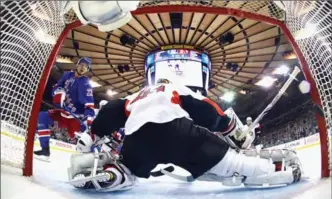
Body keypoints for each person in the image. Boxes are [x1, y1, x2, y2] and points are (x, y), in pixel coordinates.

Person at [70, 79, 301, 192]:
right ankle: (277, 171)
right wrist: (230, 129)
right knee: (233, 163)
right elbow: (205, 108)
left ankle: (112, 176)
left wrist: (93, 135)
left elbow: (109, 112)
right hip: (178, 132)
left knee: (128, 168)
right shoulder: (173, 88)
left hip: (138, 139)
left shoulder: (133, 97)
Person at [34, 57, 95, 161]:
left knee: (86, 143)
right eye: (81, 64)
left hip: (75, 119)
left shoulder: (86, 84)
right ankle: (45, 151)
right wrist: (58, 92)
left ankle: (93, 163)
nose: (82, 67)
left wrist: (88, 119)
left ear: (87, 70)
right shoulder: (67, 75)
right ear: (77, 65)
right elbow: (56, 87)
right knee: (42, 117)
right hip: (63, 113)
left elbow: (89, 105)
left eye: (85, 66)